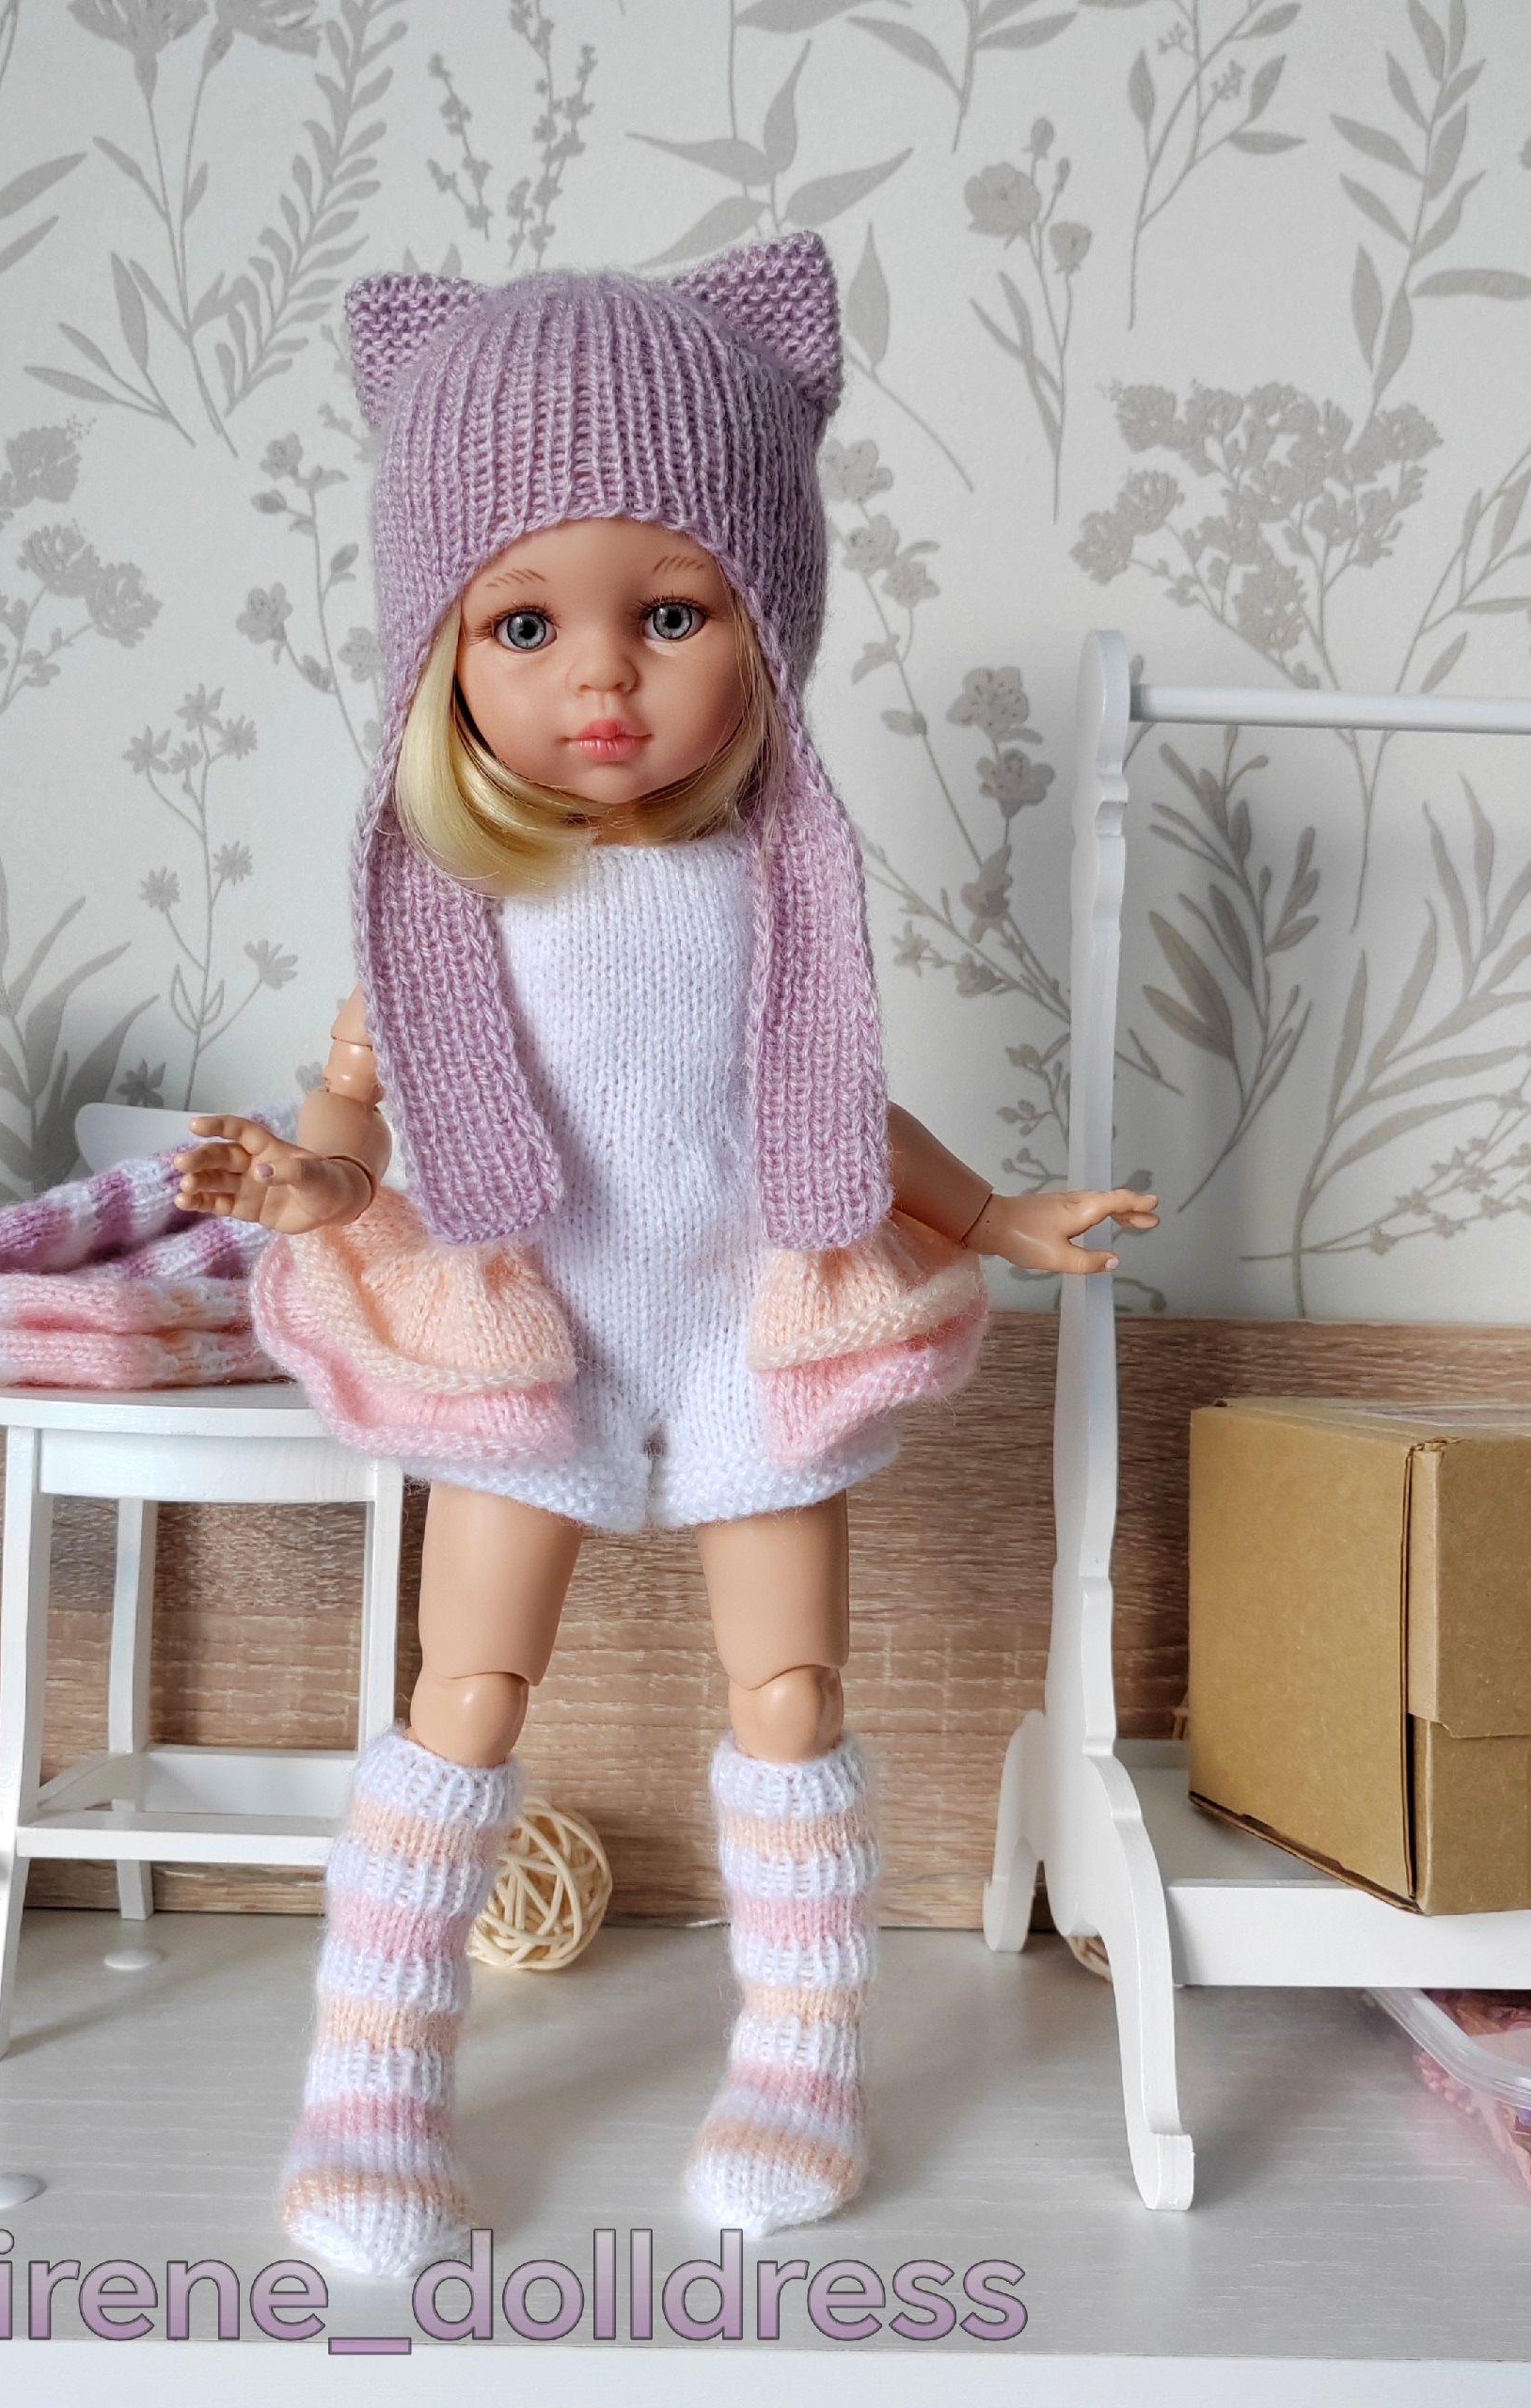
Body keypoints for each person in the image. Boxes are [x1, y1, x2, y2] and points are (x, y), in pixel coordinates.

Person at [176, 231, 1157, 2279]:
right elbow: (368, 1120)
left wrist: (989, 1213)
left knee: (788, 1681)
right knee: (462, 1687)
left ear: (766, 629)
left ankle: (800, 2054)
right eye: (525, 620)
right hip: (519, 1317)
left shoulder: (766, 895)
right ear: (440, 653)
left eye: (675, 612)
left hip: (745, 1316)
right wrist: (308, 1183)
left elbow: (829, 1113)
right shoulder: (447, 915)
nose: (602, 678)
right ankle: (374, 2080)